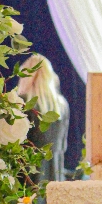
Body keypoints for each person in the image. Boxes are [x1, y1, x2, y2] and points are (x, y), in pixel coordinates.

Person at [17, 54, 70, 183]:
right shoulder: (61, 106)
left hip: (26, 181)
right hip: (54, 179)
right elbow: (62, 146)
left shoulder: (21, 103)